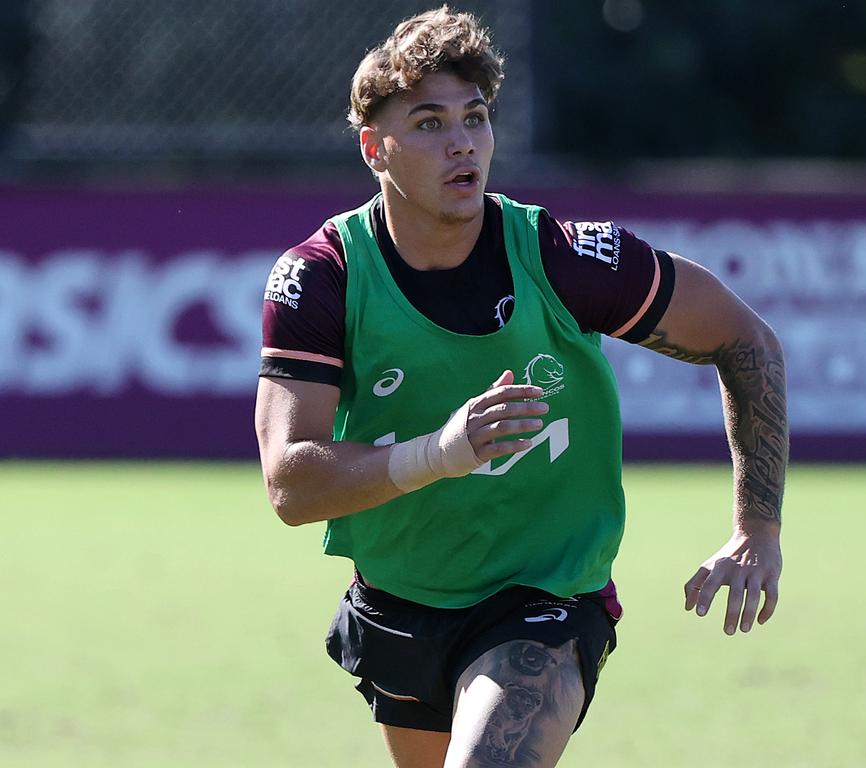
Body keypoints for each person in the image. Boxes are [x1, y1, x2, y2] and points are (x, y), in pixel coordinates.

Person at [255, 7, 787, 767]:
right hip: (401, 603)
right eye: (431, 123)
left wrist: (757, 529)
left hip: (545, 599)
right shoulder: (322, 278)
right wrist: (439, 452)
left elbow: (746, 340)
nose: (464, 141)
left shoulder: (565, 259)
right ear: (376, 148)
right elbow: (290, 486)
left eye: (475, 117)